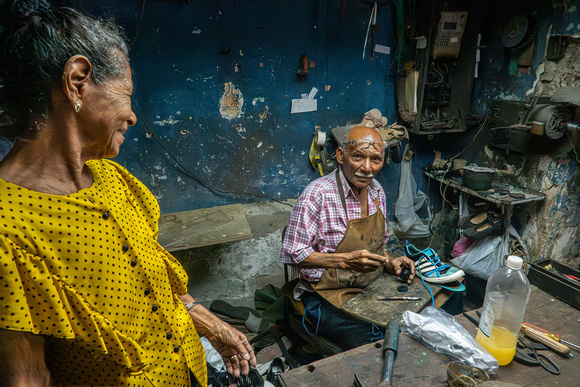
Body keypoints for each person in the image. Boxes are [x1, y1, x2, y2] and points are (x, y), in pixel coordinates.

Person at [0, 1, 255, 386]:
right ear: (77, 80)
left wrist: (211, 325)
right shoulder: (7, 227)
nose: (133, 115)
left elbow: (156, 286)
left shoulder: (114, 179)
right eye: (127, 93)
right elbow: (28, 377)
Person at [280, 125, 416, 350]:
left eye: (375, 159)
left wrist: (390, 261)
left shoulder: (377, 192)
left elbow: (374, 244)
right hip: (323, 293)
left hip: (369, 285)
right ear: (342, 156)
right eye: (358, 157)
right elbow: (292, 253)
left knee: (419, 316)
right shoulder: (317, 194)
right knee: (378, 336)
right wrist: (344, 261)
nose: (367, 168)